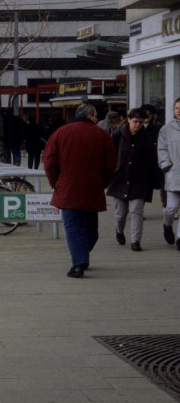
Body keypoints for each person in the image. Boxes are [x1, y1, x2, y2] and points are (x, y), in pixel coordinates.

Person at [43, 103, 116, 278]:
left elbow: (49, 162)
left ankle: (79, 262)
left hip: (68, 189)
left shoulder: (60, 133)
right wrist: (103, 183)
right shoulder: (102, 135)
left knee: (74, 227)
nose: (97, 118)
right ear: (90, 115)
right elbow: (111, 165)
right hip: (92, 189)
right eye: (96, 115)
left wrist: (56, 183)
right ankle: (81, 257)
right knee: (91, 229)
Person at [107, 108, 157, 251]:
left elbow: (152, 161)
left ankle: (136, 241)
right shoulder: (118, 135)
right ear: (128, 120)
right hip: (120, 179)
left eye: (141, 122)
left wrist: (155, 180)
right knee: (120, 213)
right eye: (135, 122)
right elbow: (109, 156)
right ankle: (119, 230)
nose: (138, 125)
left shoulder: (147, 138)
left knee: (137, 211)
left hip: (139, 180)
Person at [157, 97, 180, 249]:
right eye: (177, 108)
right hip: (174, 174)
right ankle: (167, 225)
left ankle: (179, 239)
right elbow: (161, 149)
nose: (179, 111)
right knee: (171, 207)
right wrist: (166, 165)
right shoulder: (166, 129)